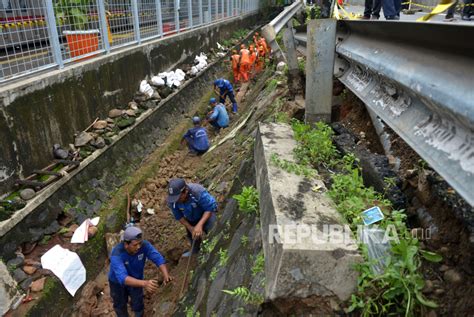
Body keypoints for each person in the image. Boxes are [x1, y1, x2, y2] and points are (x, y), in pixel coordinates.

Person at [109, 226, 173, 317]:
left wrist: (166, 275)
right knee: (120, 304)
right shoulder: (117, 254)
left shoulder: (144, 246)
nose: (138, 247)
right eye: (135, 245)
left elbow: (158, 258)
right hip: (117, 283)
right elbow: (123, 278)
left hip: (136, 279)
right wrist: (145, 284)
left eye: (140, 243)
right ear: (126, 244)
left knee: (138, 301)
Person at [167, 178, 217, 257]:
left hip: (206, 214)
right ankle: (195, 251)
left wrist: (200, 225)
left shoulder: (197, 191)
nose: (176, 201)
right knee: (192, 235)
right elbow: (179, 216)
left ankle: (214, 248)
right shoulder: (172, 200)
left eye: (179, 198)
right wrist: (191, 228)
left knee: (213, 229)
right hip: (191, 218)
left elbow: (210, 208)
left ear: (185, 191)